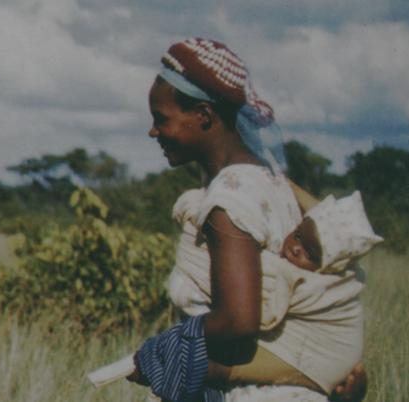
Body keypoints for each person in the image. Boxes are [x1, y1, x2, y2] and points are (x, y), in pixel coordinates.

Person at [127, 38, 368, 401]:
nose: (153, 131)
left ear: (204, 117)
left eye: (162, 119)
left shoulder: (229, 199)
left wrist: (163, 351)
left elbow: (237, 323)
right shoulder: (270, 178)